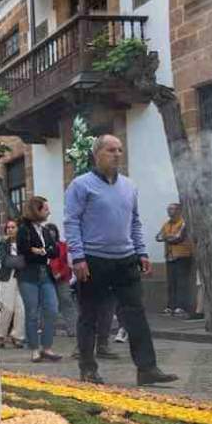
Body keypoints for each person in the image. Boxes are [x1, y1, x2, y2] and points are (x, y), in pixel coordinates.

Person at [64, 134, 178, 386]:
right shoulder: (80, 185)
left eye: (120, 150)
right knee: (89, 316)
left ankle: (147, 369)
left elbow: (135, 222)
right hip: (92, 260)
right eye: (111, 150)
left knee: (136, 314)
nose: (117, 154)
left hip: (126, 260)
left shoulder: (129, 186)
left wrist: (142, 252)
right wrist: (78, 257)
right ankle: (88, 368)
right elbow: (71, 222)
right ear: (97, 154)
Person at [16, 196, 63, 363]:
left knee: (52, 309)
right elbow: (25, 251)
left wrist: (40, 251)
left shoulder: (45, 231)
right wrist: (42, 251)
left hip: (45, 274)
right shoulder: (24, 230)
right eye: (46, 209)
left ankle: (47, 347)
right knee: (32, 312)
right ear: (37, 210)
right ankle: (35, 349)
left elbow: (55, 251)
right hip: (28, 275)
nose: (49, 212)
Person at [155, 203, 193, 315]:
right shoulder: (166, 224)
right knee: (171, 283)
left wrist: (167, 237)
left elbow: (179, 238)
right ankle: (171, 306)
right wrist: (169, 237)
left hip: (182, 256)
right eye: (168, 209)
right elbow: (158, 237)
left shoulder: (184, 223)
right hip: (170, 256)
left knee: (181, 282)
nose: (169, 211)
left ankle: (181, 306)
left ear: (179, 211)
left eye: (172, 209)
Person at [0, 220, 25, 348]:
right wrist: (19, 261)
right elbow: (4, 260)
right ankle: (0, 335)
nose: (10, 229)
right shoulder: (3, 243)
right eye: (8, 227)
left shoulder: (23, 243)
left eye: (13, 227)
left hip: (22, 278)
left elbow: (27, 259)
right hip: (7, 278)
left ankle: (17, 336)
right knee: (7, 308)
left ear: (18, 229)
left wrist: (17, 261)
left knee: (21, 309)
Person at [46, 223, 77, 337]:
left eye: (52, 231)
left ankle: (73, 328)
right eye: (48, 232)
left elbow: (68, 263)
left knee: (66, 301)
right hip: (48, 279)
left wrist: (60, 273)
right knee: (50, 304)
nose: (51, 234)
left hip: (62, 278)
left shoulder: (63, 246)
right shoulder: (42, 247)